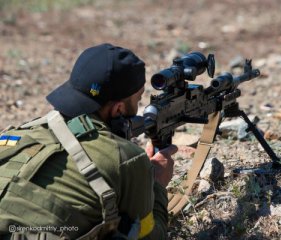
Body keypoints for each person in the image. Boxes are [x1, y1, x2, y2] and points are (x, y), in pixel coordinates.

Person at [0, 43, 178, 239]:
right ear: (118, 109)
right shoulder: (127, 159)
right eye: (138, 99)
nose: (137, 107)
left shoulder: (17, 133)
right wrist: (157, 184)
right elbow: (150, 235)